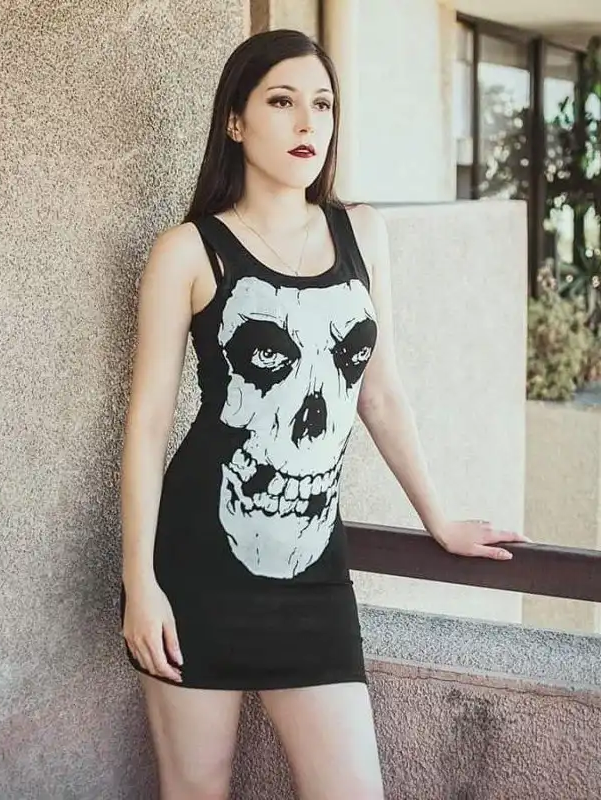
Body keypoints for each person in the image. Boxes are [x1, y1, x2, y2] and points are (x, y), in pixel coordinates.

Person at [119, 28, 529, 800]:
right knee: (195, 790)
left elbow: (380, 392)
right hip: (193, 569)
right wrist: (140, 583)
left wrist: (439, 519)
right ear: (235, 121)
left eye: (323, 104)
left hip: (316, 578)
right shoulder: (189, 252)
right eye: (282, 102)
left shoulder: (361, 232)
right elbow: (146, 427)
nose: (308, 122)